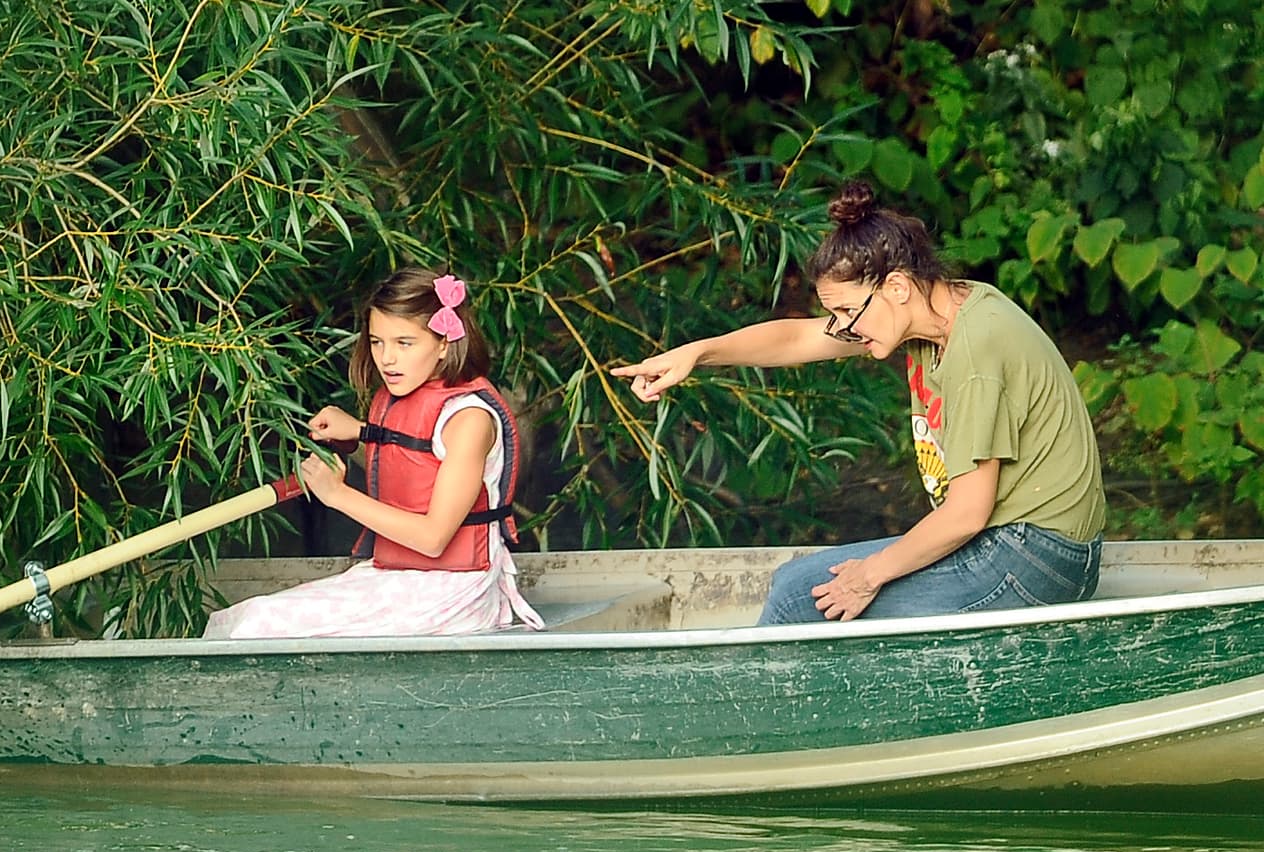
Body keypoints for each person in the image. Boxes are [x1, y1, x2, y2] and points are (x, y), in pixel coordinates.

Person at [612, 181, 1106, 624]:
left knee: (797, 601)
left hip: (1034, 559)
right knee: (797, 583)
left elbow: (966, 515)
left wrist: (870, 575)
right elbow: (795, 340)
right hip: (1013, 543)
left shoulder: (975, 347)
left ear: (896, 286)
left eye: (849, 311)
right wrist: (697, 353)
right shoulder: (934, 311)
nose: (845, 327)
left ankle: (763, 720)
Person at [203, 267, 545, 638]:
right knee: (240, 621)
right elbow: (413, 468)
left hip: (453, 590)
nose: (387, 359)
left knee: (256, 627)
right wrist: (358, 436)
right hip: (399, 574)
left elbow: (433, 537)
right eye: (377, 342)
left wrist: (337, 495)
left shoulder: (469, 420)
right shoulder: (404, 396)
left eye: (404, 343)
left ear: (445, 343)